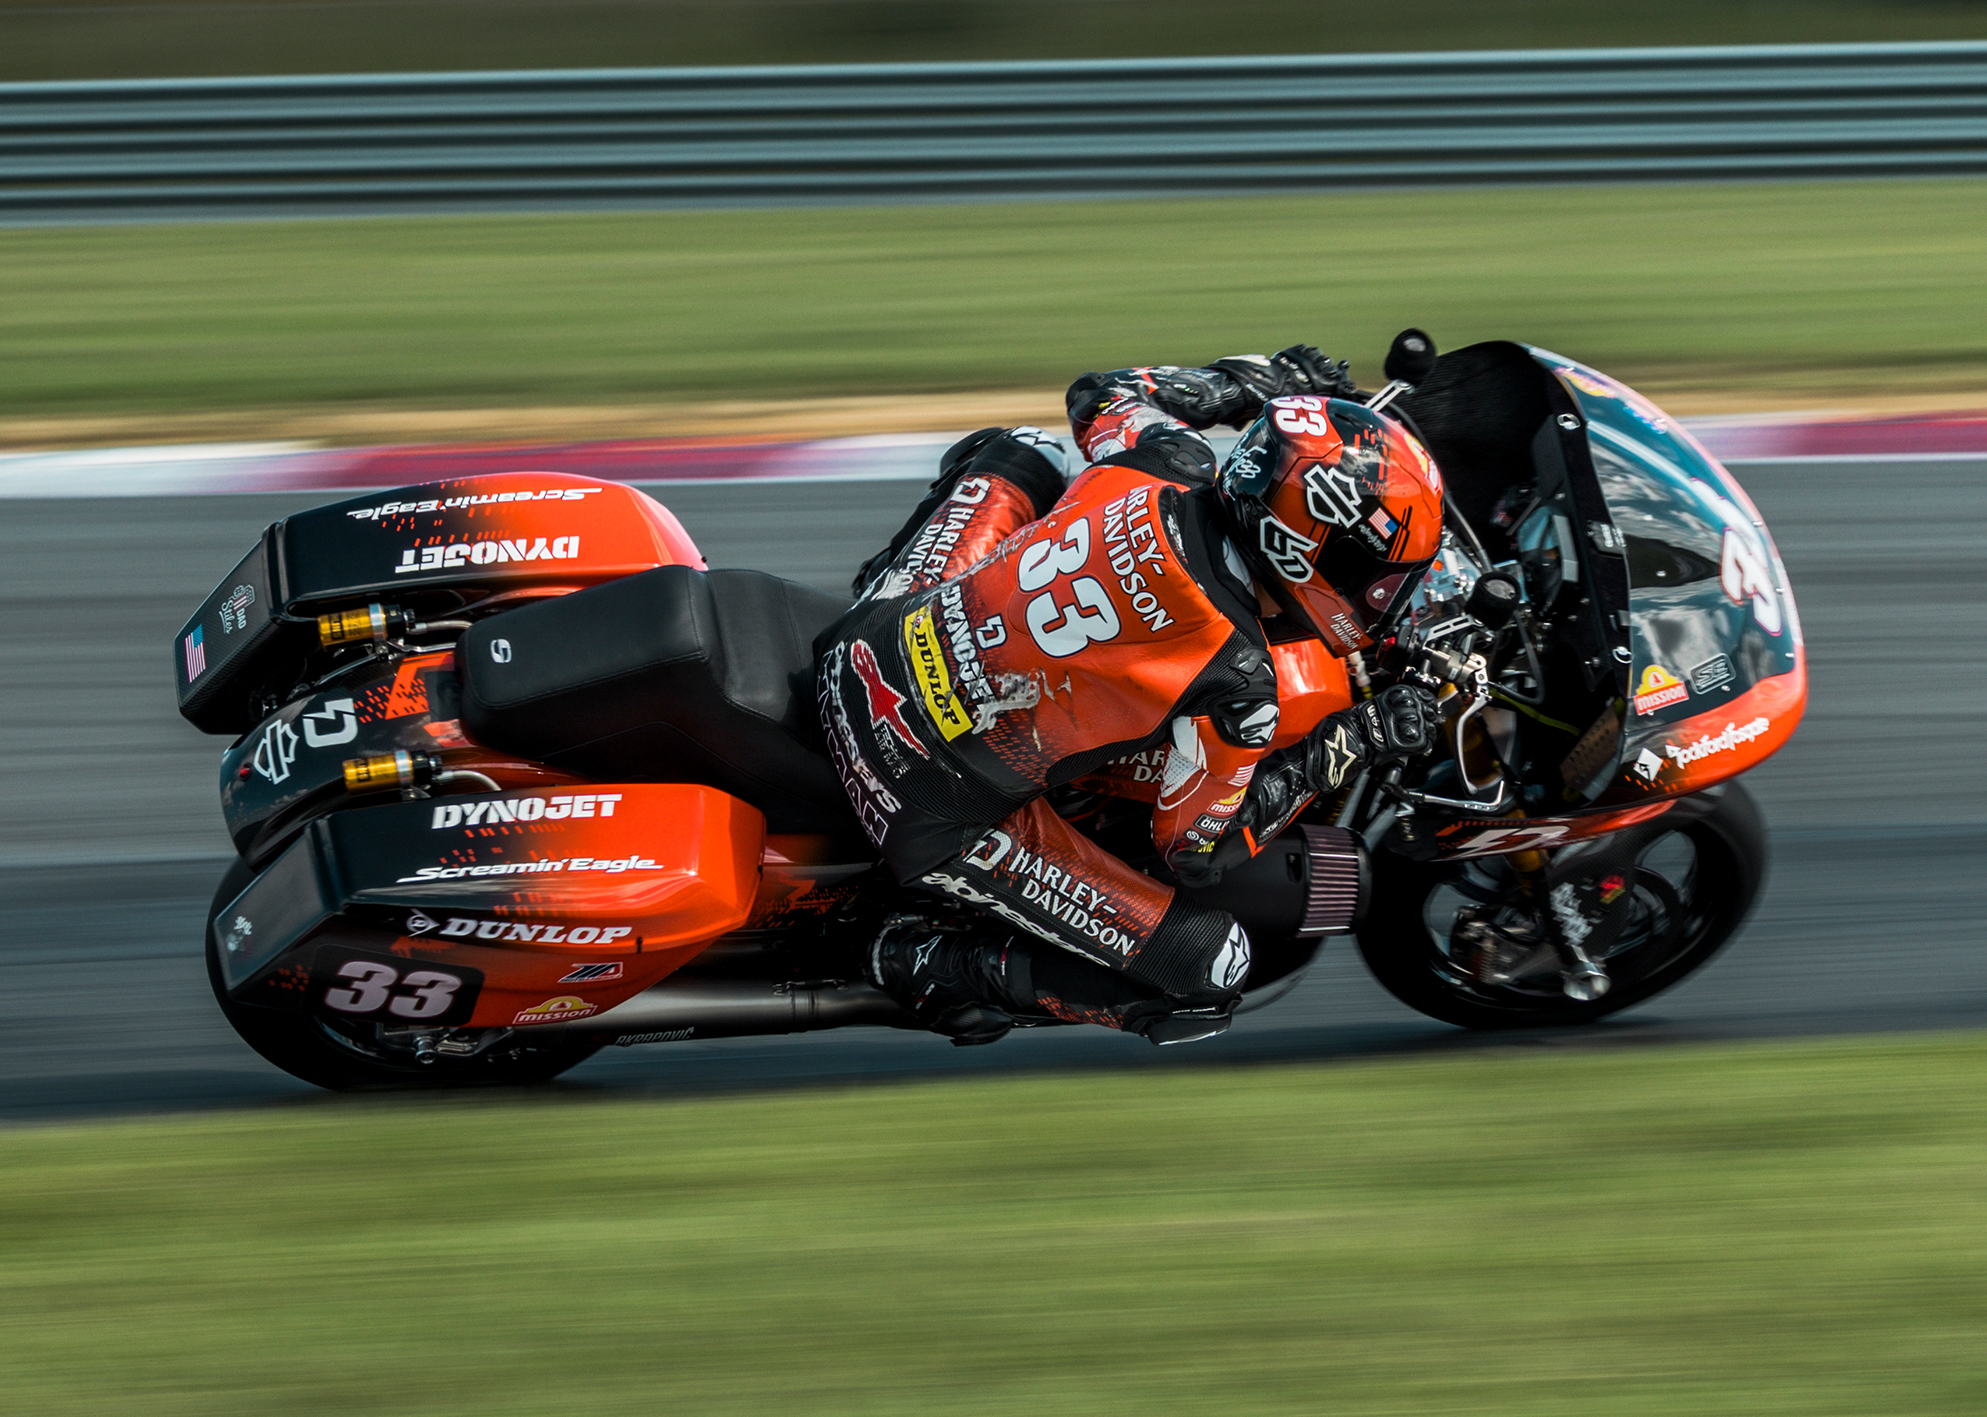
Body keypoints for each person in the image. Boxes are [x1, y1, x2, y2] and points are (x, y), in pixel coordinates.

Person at [816, 347, 1445, 1046]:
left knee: (1023, 451)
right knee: (1211, 967)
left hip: (864, 644)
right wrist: (1353, 739)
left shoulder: (1168, 458)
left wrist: (1250, 381)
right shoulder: (1238, 680)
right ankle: (918, 960)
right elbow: (1196, 851)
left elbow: (1099, 394)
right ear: (1303, 548)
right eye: (1376, 578)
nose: (1381, 599)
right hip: (922, 798)